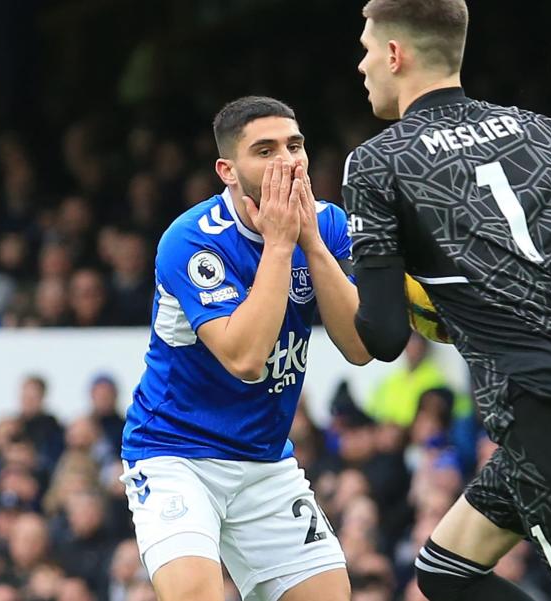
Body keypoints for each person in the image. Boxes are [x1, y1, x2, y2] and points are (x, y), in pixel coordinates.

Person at [342, 1, 551, 600]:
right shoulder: (542, 129)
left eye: (367, 50)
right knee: (445, 570)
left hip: (539, 402)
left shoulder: (377, 164)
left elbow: (386, 336)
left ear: (395, 54)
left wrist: (322, 260)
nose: (362, 65)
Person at [120, 96, 369, 601]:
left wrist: (312, 244)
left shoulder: (328, 224)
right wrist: (280, 245)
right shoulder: (190, 240)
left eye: (294, 145)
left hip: (265, 460)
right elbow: (246, 360)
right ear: (227, 170)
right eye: (265, 149)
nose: (287, 160)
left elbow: (360, 347)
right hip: (176, 454)